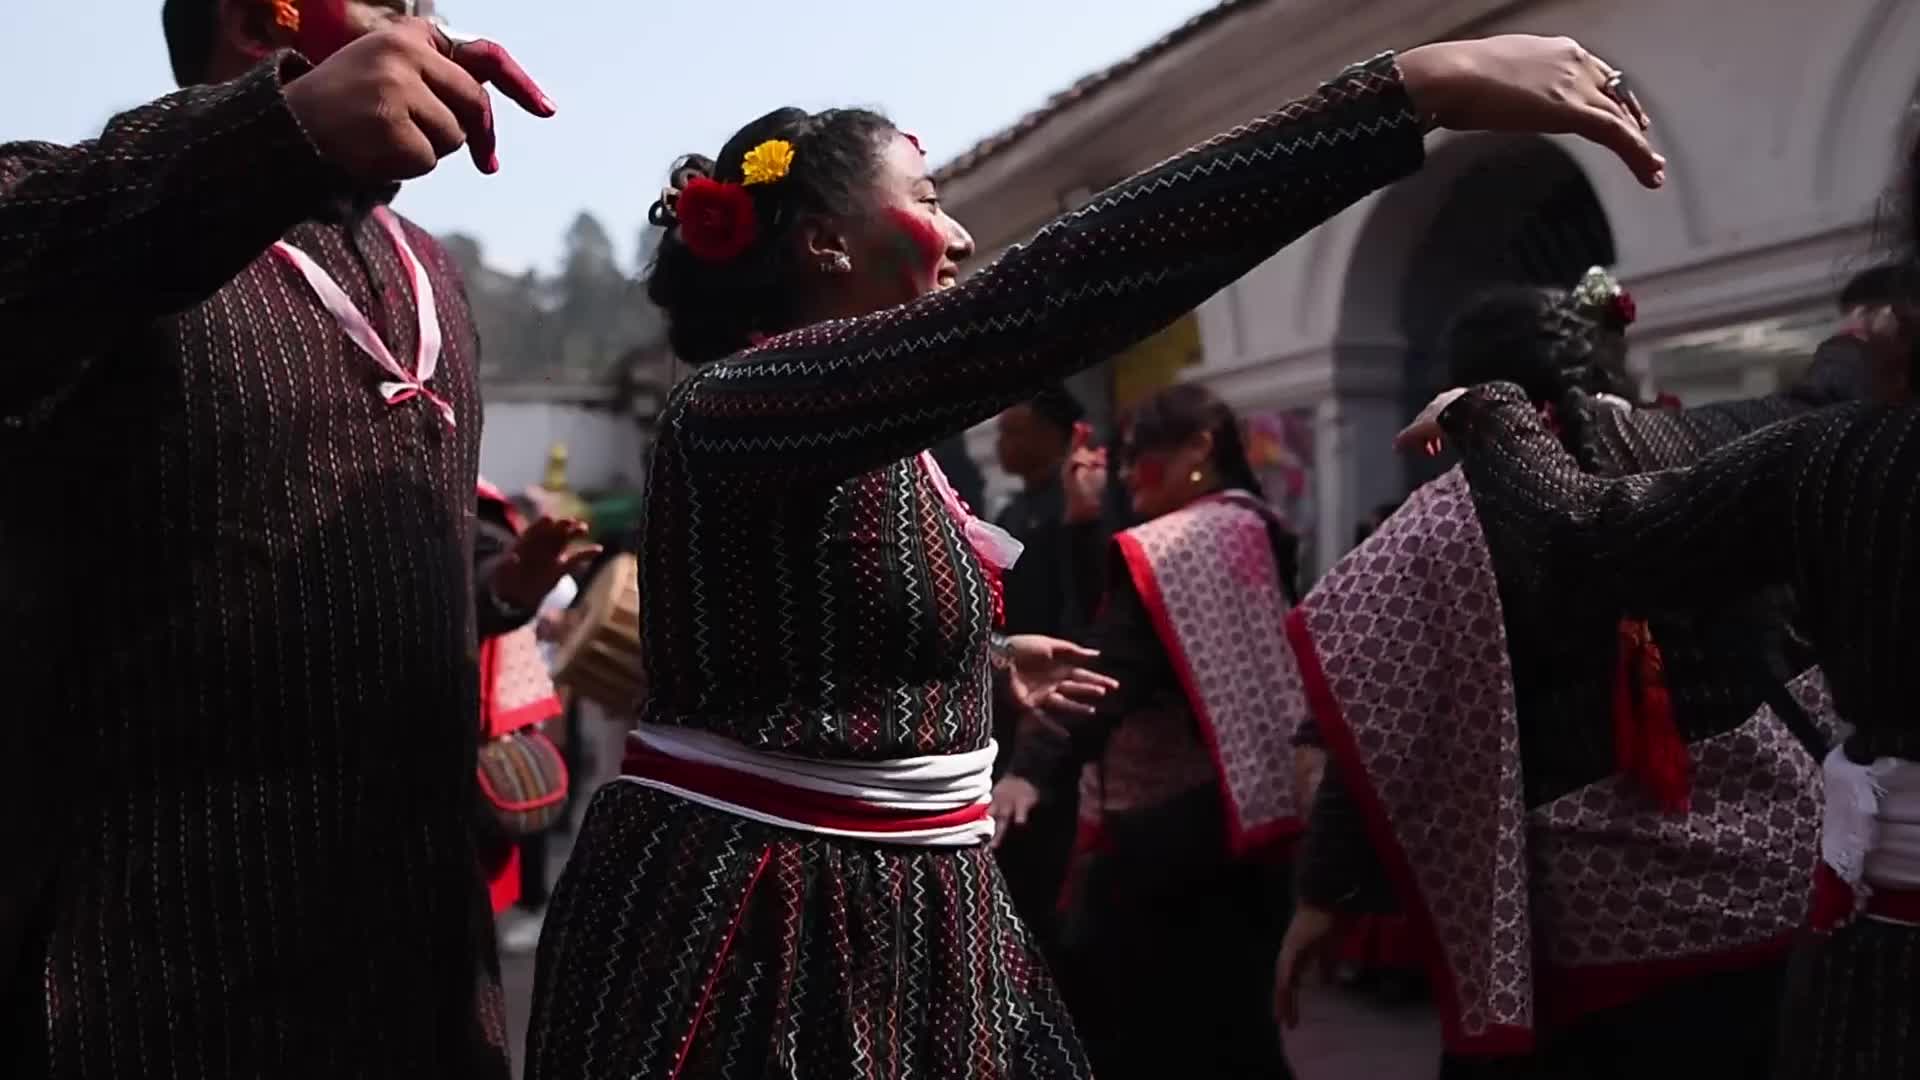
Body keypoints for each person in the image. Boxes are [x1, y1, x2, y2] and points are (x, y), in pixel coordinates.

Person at [521, 34, 1666, 1079]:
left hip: (920, 905)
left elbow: (796, 656)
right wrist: (1407, 95)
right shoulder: (744, 406)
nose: (962, 233)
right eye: (927, 200)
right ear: (823, 241)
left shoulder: (878, 432)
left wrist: (974, 664)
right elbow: (1048, 297)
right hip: (770, 921)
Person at [0, 2, 554, 1073]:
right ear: (264, 18)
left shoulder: (429, 272)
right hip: (157, 979)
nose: (429, 27)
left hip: (418, 968)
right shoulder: (82, 214)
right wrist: (277, 133)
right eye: (395, 7)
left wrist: (491, 595)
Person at [1393, 140, 1920, 1076]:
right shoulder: (1781, 440)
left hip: (1833, 955)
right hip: (1756, 894)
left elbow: (1576, 546)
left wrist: (1491, 415)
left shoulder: (1850, 460)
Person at [1278, 266, 1871, 1079]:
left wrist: (1324, 894)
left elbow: (1386, 708)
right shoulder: (1707, 441)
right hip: (1771, 892)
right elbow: (1821, 409)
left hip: (1601, 937)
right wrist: (1858, 338)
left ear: (1459, 394)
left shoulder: (1449, 518)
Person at [991, 382, 1302, 1079]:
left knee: (1154, 1031)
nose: (1129, 475)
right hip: (1248, 818)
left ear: (1198, 450)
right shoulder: (1255, 524)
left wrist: (1028, 768)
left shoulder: (1173, 545)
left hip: (1169, 835)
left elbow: (1109, 670)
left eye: (1141, 459)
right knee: (1234, 1029)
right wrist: (1083, 530)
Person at [989, 386, 1104, 952]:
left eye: (1013, 428)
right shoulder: (1013, 511)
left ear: (1053, 434)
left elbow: (1080, 617)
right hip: (1010, 702)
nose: (999, 441)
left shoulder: (1078, 510)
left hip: (1057, 713)